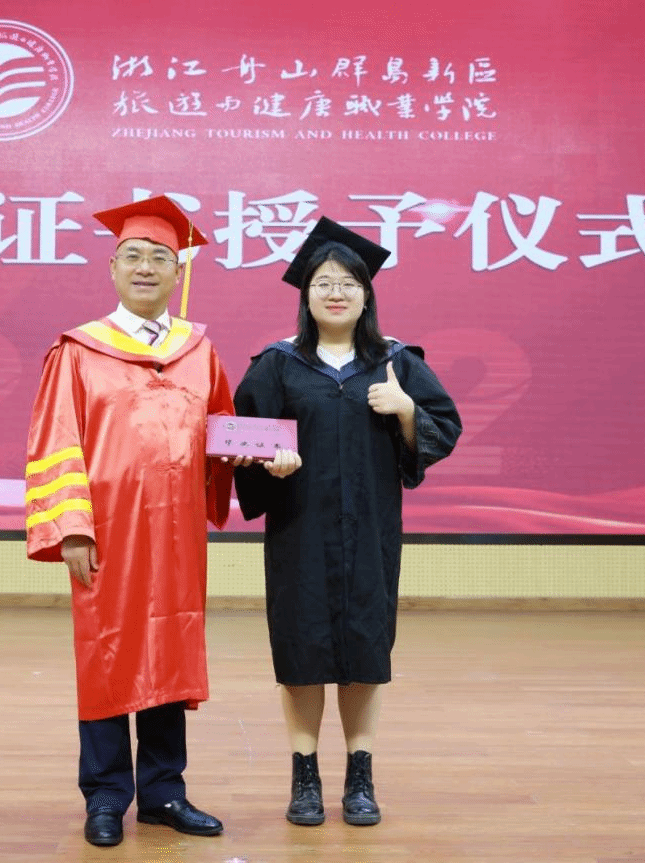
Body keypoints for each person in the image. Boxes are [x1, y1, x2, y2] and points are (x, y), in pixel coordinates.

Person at [233, 217, 462, 827]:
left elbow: (443, 428)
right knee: (301, 648)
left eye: (349, 283)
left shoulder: (396, 362)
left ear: (366, 294)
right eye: (324, 283)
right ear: (306, 295)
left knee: (365, 646)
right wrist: (267, 463)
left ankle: (360, 775)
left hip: (370, 530)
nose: (336, 293)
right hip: (299, 530)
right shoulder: (277, 364)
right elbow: (241, 442)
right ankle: (304, 776)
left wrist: (406, 410)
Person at [24, 196, 234, 847]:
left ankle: (164, 791)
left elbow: (224, 431)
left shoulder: (198, 350)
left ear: (178, 271)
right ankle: (107, 793)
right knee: (107, 652)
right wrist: (72, 527)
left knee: (171, 645)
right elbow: (57, 440)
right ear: (113, 268)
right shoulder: (79, 350)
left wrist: (256, 453)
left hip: (177, 535)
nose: (146, 267)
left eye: (160, 257)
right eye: (134, 256)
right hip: (108, 532)